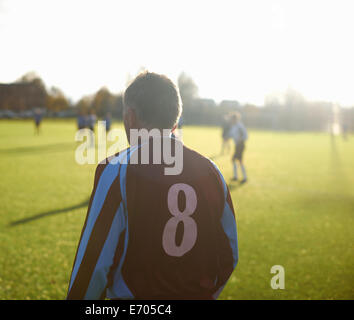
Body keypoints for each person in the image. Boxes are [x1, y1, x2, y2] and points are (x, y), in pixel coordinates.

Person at [67, 72, 238, 300]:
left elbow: (93, 267)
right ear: (175, 121)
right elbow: (229, 253)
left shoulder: (117, 168)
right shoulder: (211, 171)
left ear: (130, 117)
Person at [228, 112, 248, 183]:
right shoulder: (233, 126)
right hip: (237, 146)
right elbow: (231, 134)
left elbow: (245, 136)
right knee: (235, 160)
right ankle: (236, 176)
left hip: (240, 145)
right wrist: (227, 137)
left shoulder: (240, 126)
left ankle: (244, 177)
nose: (231, 120)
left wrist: (240, 139)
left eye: (232, 119)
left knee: (238, 160)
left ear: (235, 119)